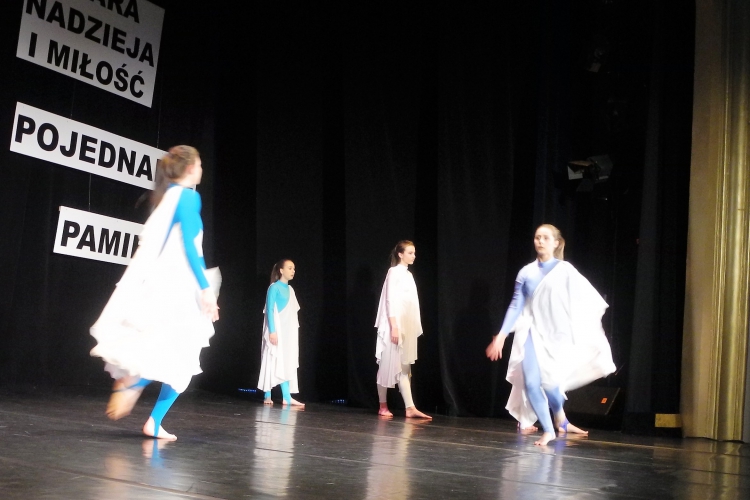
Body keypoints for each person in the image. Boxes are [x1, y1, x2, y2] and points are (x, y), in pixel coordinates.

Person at [90, 145, 220, 441]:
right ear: (190, 168)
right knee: (183, 354)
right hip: (180, 287)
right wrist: (204, 289)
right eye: (200, 164)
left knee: (172, 351)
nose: (201, 169)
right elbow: (191, 248)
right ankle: (138, 391)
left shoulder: (168, 196)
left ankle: (146, 406)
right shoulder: (188, 197)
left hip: (167, 284)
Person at [486, 224, 615, 445]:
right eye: (537, 237)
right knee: (532, 383)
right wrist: (502, 335)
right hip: (531, 332)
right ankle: (548, 430)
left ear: (556, 243)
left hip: (557, 335)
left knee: (552, 385)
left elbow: (582, 300)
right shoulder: (526, 272)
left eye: (545, 238)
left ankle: (561, 420)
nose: (540, 241)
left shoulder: (565, 270)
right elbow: (516, 305)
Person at [375, 241, 431, 419]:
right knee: (387, 364)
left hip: (406, 324)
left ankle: (410, 407)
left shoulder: (408, 274)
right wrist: (394, 326)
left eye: (414, 253)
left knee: (404, 366)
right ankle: (383, 405)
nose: (414, 256)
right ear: (400, 254)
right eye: (410, 253)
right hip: (395, 324)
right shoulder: (394, 272)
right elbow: (390, 300)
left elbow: (411, 303)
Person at [258, 259, 304, 407]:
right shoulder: (274, 288)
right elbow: (269, 310)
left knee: (286, 361)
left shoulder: (291, 290)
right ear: (281, 270)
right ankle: (267, 394)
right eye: (290, 268)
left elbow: (292, 313)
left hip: (287, 331)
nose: (293, 271)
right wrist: (272, 331)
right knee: (272, 357)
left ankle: (286, 397)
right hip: (276, 330)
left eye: (294, 268)